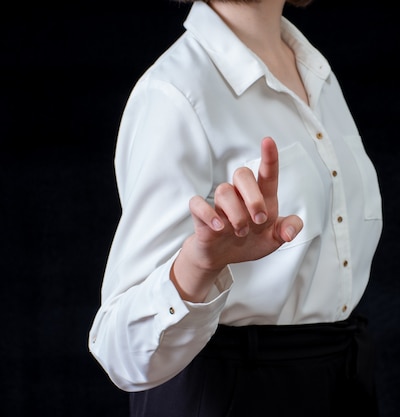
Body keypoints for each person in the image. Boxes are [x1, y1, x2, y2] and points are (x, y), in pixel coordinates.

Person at [88, 0, 383, 415]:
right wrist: (199, 266)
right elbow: (121, 352)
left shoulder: (317, 73)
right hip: (228, 393)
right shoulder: (175, 91)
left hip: (341, 382)